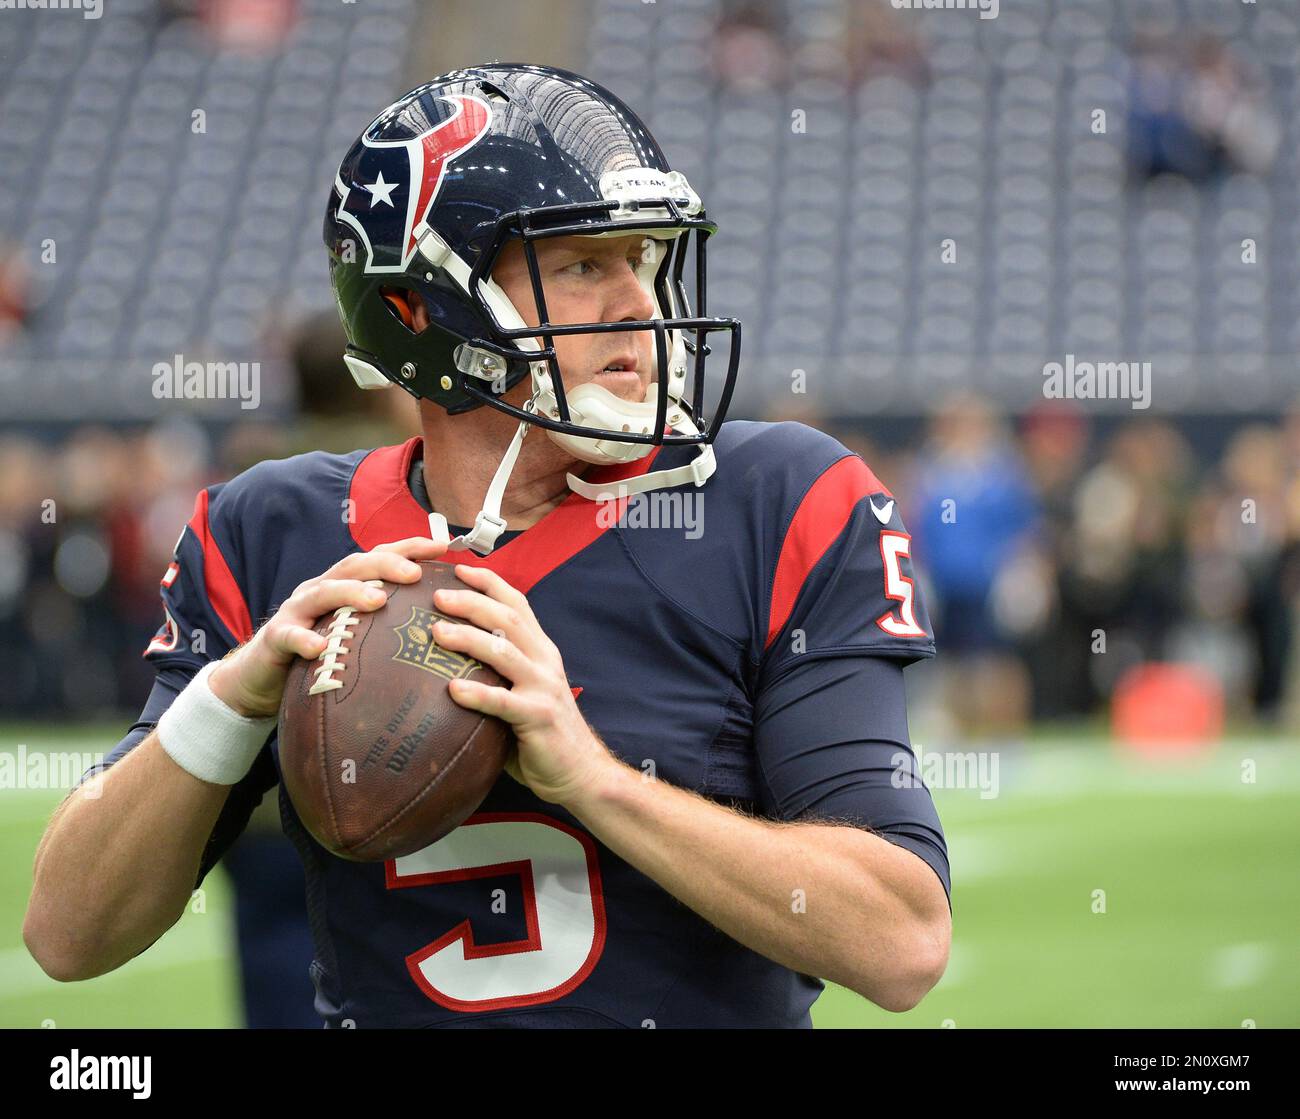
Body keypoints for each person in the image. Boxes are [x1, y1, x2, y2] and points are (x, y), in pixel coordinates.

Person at [24, 64, 950, 1028]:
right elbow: (68, 933)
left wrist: (592, 778)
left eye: (642, 257)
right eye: (585, 263)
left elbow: (902, 941)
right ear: (424, 306)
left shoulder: (776, 501)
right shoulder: (272, 533)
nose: (638, 301)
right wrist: (239, 695)